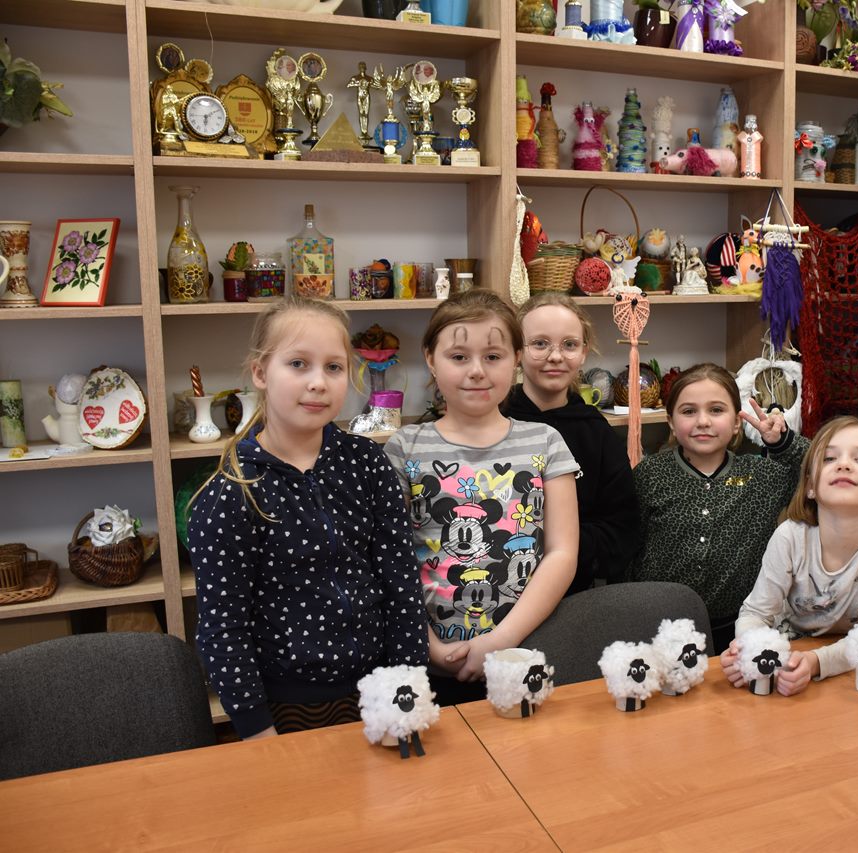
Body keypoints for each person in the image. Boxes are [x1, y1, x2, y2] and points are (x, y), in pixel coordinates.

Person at [188, 297, 430, 740]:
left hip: (381, 690)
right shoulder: (232, 491)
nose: (318, 382)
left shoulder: (366, 463)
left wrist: (408, 683)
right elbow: (223, 627)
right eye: (298, 364)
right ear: (260, 372)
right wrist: (256, 728)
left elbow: (401, 584)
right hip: (286, 704)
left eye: (334, 367)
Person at [383, 289, 579, 706]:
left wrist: (502, 639)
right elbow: (391, 560)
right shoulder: (404, 447)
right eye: (458, 357)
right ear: (431, 359)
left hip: (524, 650)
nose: (476, 371)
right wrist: (428, 643)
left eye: (492, 356)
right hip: (427, 661)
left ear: (516, 359)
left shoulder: (546, 442)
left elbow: (562, 552)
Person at [720, 416, 858, 695]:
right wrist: (750, 652)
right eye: (829, 458)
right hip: (788, 646)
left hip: (846, 664)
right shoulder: (789, 536)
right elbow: (755, 614)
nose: (844, 464)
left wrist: (816, 663)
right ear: (810, 485)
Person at [629, 362, 808, 653]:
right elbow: (629, 548)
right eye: (689, 411)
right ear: (671, 422)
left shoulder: (762, 476)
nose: (703, 421)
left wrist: (783, 443)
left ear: (737, 422)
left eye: (716, 410)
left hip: (737, 628)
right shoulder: (650, 474)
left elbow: (822, 469)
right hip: (659, 627)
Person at [506, 292, 640, 592]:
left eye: (569, 345)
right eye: (540, 343)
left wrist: (556, 547)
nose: (555, 356)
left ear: (583, 353)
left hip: (570, 592)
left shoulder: (598, 433)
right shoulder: (494, 419)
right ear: (517, 351)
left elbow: (621, 531)